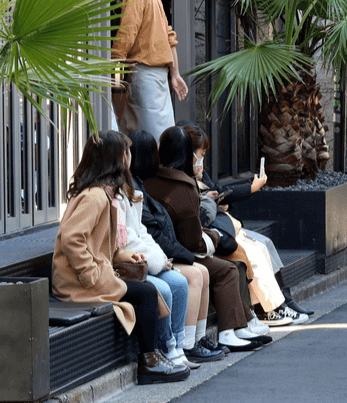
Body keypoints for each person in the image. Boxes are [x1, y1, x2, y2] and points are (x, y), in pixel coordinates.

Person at [51, 131, 190, 384]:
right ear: (116, 158)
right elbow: (72, 238)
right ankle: (149, 361)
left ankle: (153, 357)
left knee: (147, 292)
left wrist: (125, 255)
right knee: (147, 293)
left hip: (93, 275)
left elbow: (101, 244)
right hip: (77, 283)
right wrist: (90, 274)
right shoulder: (94, 196)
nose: (130, 158)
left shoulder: (103, 194)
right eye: (126, 152)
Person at [141, 125, 268, 352]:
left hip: (161, 249)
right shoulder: (184, 186)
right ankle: (210, 336)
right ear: (187, 154)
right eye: (199, 154)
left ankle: (228, 329)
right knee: (226, 269)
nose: (201, 161)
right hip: (179, 251)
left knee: (225, 267)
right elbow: (194, 243)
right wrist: (214, 237)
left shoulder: (149, 180)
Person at [177, 122, 309, 326]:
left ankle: (283, 302)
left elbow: (214, 191)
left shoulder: (196, 173)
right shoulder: (181, 181)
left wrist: (226, 197)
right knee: (254, 252)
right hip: (213, 234)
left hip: (222, 227)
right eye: (201, 154)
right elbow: (198, 212)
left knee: (265, 244)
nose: (202, 161)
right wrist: (214, 203)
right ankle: (267, 308)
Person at [128, 130, 225, 362]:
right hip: (144, 259)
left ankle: (191, 341)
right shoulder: (135, 189)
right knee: (189, 277)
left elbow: (146, 232)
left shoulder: (141, 185)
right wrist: (172, 258)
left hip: (156, 254)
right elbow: (147, 234)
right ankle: (178, 344)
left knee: (198, 273)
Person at [111, 0, 188, 142]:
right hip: (155, 76)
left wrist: (109, 66)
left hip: (144, 75)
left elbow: (125, 35)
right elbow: (170, 36)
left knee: (148, 139)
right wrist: (175, 73)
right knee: (145, 135)